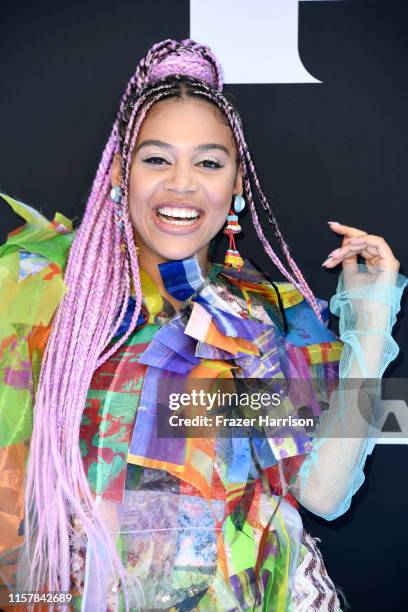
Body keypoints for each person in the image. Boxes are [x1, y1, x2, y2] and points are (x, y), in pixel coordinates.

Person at [0, 38, 406, 612]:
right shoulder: (45, 298)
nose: (182, 185)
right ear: (121, 172)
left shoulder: (269, 312)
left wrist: (370, 317)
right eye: (157, 159)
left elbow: (324, 494)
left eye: (209, 162)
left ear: (237, 182)